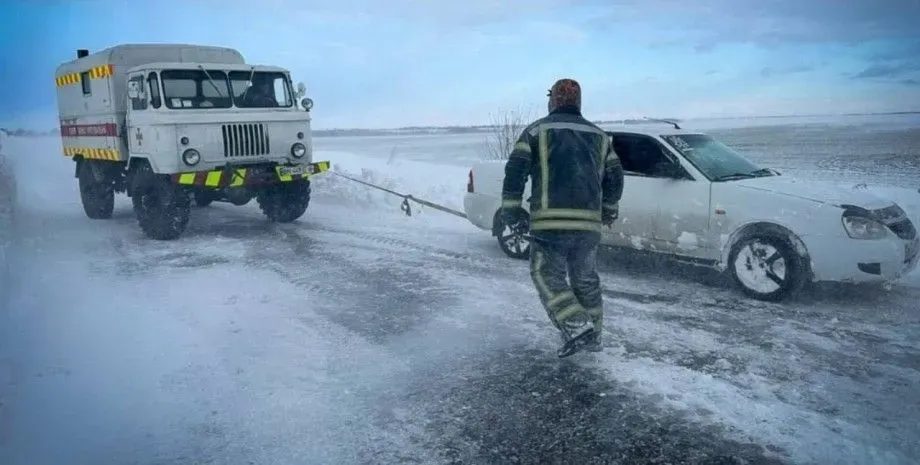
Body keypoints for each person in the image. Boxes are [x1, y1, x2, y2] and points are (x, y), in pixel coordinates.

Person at [500, 78, 625, 358]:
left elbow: (515, 172)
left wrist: (511, 211)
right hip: (588, 226)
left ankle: (578, 328)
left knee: (546, 274)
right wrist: (609, 209)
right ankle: (594, 337)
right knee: (586, 280)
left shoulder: (535, 132)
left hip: (550, 225)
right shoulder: (600, 136)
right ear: (578, 102)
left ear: (553, 101)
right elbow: (615, 176)